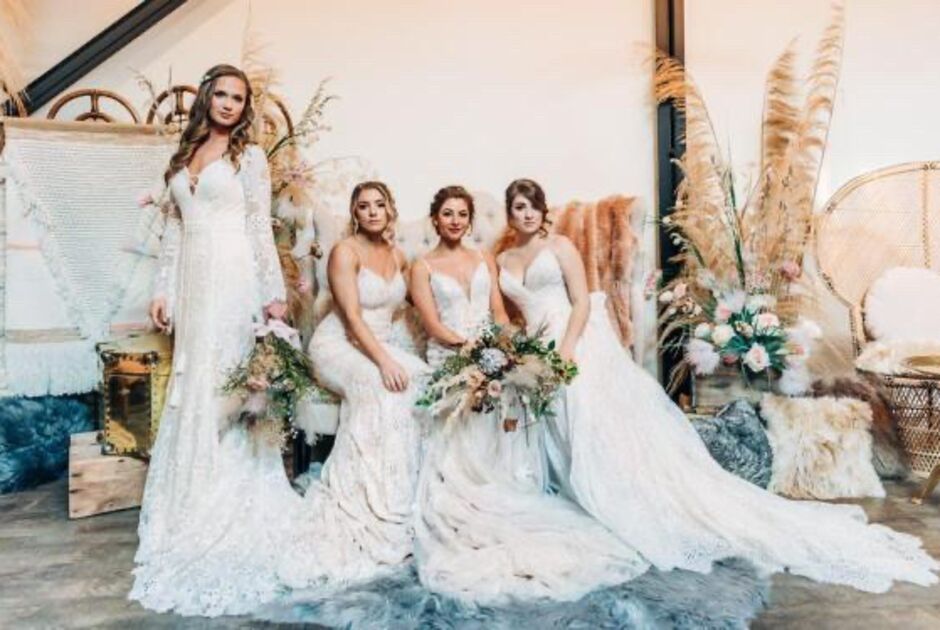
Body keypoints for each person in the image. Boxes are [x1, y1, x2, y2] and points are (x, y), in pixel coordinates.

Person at [496, 177, 940, 593]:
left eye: (533, 206)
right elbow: (506, 317)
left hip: (574, 340)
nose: (527, 214)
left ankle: (618, 493)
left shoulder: (560, 247)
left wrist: (566, 352)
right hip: (535, 346)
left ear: (543, 210)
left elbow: (580, 304)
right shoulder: (503, 260)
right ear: (510, 214)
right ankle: (560, 487)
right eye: (519, 208)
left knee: (589, 412)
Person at [411, 186, 648, 604]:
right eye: (447, 213)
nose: (455, 220)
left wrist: (507, 350)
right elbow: (432, 324)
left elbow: (501, 314)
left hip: (517, 344)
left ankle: (589, 487)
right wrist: (473, 349)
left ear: (470, 219)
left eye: (462, 214)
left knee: (530, 396)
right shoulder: (427, 265)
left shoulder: (490, 258)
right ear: (435, 219)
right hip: (453, 349)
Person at [131, 64, 301, 616]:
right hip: (191, 283)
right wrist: (162, 290)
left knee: (228, 379)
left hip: (233, 278)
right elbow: (175, 230)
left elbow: (258, 229)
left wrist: (272, 294)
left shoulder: (249, 158)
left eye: (238, 98)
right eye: (221, 94)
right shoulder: (184, 155)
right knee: (194, 377)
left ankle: (228, 484)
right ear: (207, 98)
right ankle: (190, 491)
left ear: (245, 107)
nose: (229, 104)